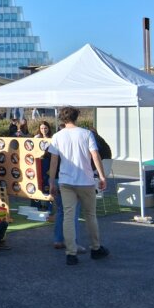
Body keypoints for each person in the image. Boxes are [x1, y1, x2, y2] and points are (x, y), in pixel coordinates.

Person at [47, 107, 110, 265]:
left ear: (62, 119)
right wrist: (102, 176)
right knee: (90, 215)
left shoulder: (57, 136)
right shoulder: (86, 134)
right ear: (77, 117)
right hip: (85, 180)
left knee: (68, 216)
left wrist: (51, 181)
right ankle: (95, 248)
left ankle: (71, 253)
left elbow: (54, 160)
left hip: (65, 181)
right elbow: (95, 155)